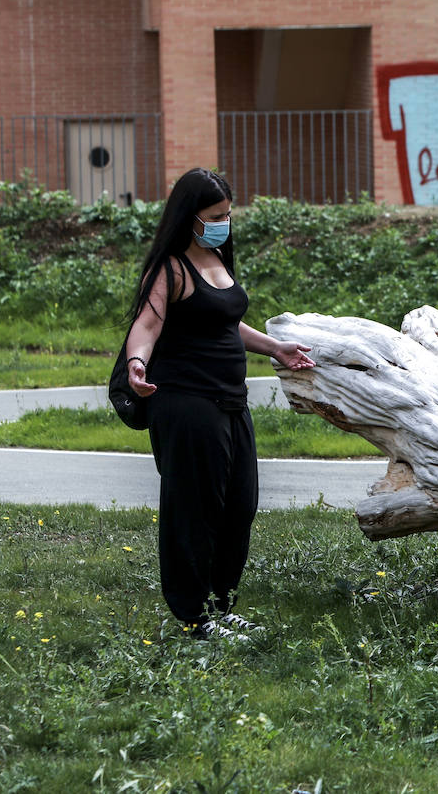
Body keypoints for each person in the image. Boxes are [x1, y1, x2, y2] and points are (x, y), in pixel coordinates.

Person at [123, 168, 315, 640]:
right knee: (195, 510)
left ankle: (220, 603)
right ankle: (194, 617)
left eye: (227, 214)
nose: (224, 222)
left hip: (230, 402)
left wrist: (275, 348)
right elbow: (147, 327)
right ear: (190, 218)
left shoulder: (215, 258)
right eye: (215, 216)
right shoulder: (168, 269)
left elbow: (225, 323)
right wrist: (136, 364)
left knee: (238, 504)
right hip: (188, 406)